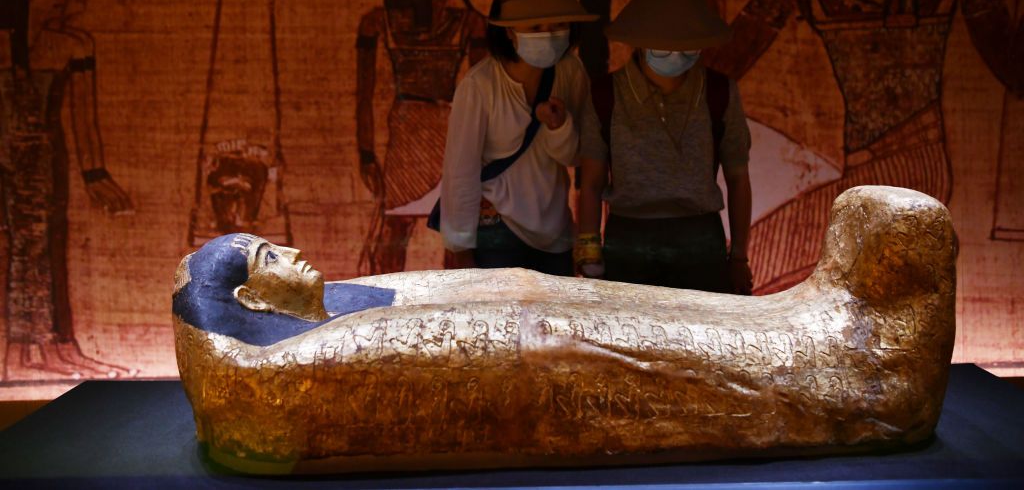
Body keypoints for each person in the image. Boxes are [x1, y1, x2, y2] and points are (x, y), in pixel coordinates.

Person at [172, 186, 957, 473]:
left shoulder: (332, 306)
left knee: (727, 317)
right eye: (272, 254)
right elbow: (455, 352)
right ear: (252, 296)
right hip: (546, 359)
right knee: (715, 356)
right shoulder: (281, 364)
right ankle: (862, 374)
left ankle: (832, 335)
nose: (295, 250)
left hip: (537, 318)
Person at [576, 0, 753, 293]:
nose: (675, 51)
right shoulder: (605, 95)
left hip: (700, 242)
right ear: (640, 39)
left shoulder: (719, 92)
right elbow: (592, 182)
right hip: (628, 241)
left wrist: (739, 257)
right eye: (664, 41)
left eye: (686, 43)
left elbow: (738, 178)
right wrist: (589, 251)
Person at [0, 0, 131, 381]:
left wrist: (95, 173)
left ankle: (58, 345)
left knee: (46, 247)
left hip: (44, 157)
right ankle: (22, 352)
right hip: (9, 161)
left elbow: (84, 119)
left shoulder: (72, 45)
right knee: (24, 252)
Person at [438, 0, 597, 275]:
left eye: (559, 25)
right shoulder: (480, 85)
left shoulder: (571, 72)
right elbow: (461, 172)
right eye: (535, 27)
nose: (548, 35)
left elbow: (575, 156)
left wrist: (558, 127)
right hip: (495, 230)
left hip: (556, 233)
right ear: (509, 31)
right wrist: (461, 250)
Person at [356, 0, 487, 275]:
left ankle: (452, 308)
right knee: (393, 231)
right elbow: (365, 95)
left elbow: (482, 99)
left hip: (450, 133)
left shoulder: (471, 24)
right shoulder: (377, 22)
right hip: (405, 132)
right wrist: (366, 153)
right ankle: (386, 309)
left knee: (455, 234)